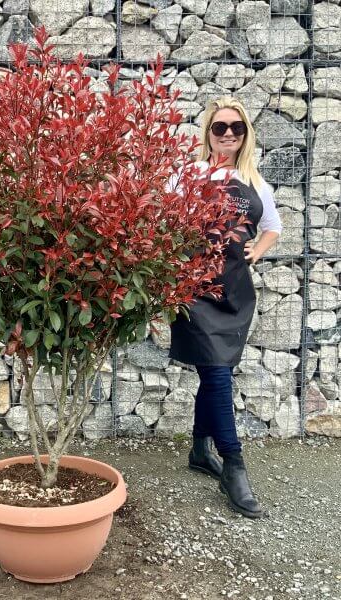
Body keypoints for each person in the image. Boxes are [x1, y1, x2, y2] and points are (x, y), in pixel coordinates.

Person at [169, 97, 283, 519]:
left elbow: (272, 228)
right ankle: (233, 463)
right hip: (196, 292)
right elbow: (164, 218)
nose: (229, 134)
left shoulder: (256, 181)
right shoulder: (191, 174)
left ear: (245, 133)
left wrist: (257, 250)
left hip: (236, 293)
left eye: (237, 127)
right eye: (220, 128)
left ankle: (200, 449)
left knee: (216, 373)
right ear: (209, 133)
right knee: (217, 374)